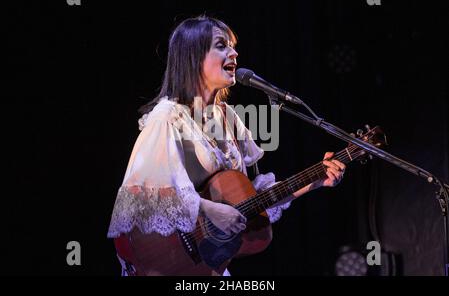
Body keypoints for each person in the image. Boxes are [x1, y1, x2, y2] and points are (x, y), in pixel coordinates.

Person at [106, 15, 346, 276]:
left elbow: (249, 198)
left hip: (209, 267)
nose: (234, 52)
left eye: (232, 45)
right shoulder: (167, 118)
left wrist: (312, 182)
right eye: (222, 45)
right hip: (171, 261)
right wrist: (208, 209)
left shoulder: (227, 118)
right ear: (193, 56)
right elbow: (141, 197)